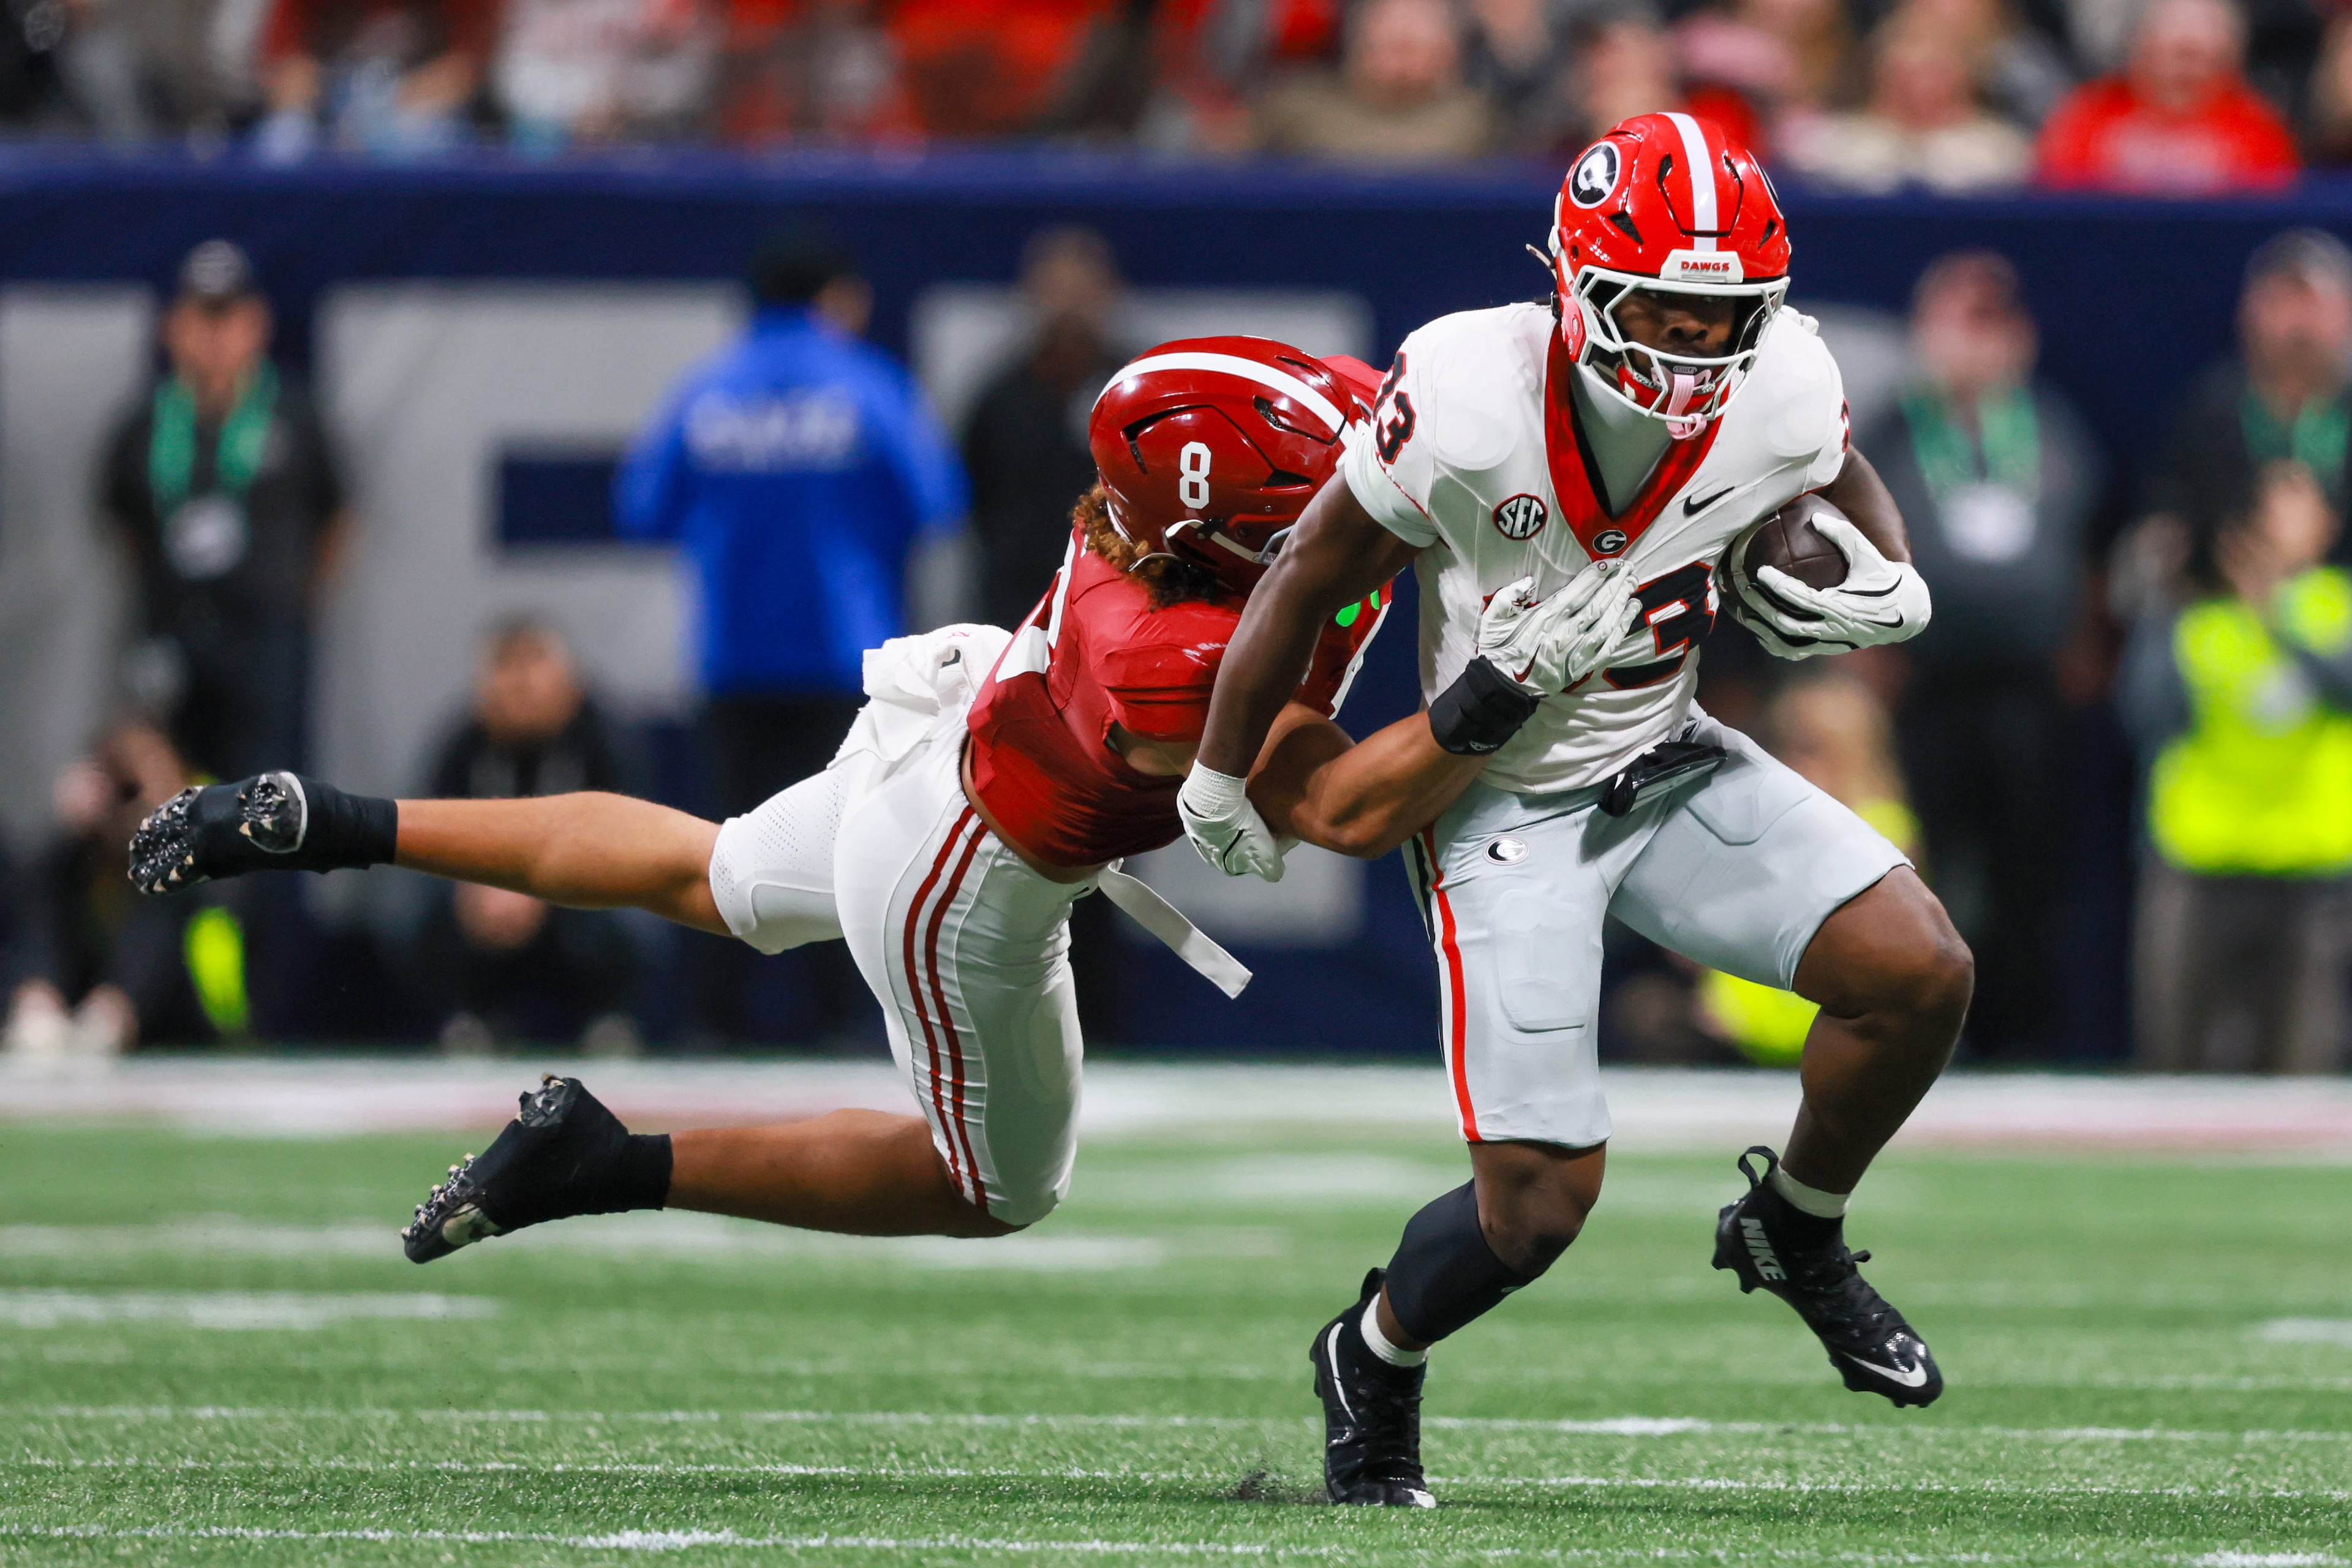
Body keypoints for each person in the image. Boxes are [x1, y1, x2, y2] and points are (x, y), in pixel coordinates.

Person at [129, 336, 1634, 1284]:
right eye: (1306, 507)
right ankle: (612, 1162)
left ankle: (330, 816)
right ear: (1227, 537)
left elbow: (1371, 487)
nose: (1352, 497)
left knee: (709, 871)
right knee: (991, 1190)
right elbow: (1356, 810)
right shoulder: (1177, 658)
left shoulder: (1177, 533)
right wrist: (1495, 694)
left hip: (943, 732)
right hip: (964, 872)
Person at [1183, 113, 1973, 1507]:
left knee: (1915, 971)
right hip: (1503, 795)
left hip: (1667, 752)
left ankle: (1794, 1223)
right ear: (1576, 281)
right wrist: (1216, 765)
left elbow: (1829, 470)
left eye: (1724, 313)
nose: (1691, 341)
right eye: (1664, 303)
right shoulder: (1468, 390)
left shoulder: (1779, 379)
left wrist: (1887, 571)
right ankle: (1371, 1351)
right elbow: (1311, 569)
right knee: (1538, 1206)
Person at [613, 224, 967, 1043]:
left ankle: (713, 1018)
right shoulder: (868, 385)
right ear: (836, 299)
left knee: (725, 838)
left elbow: (642, 510)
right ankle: (844, 1020)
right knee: (858, 843)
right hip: (845, 653)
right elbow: (936, 501)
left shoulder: (706, 391)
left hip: (732, 653)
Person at [1861, 252, 2103, 1060]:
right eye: (1962, 324)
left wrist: (2083, 642)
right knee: (1928, 862)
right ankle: (1934, 1040)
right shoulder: (1892, 429)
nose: (1977, 346)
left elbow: (2094, 542)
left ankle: (2022, 1037)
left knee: (2028, 869)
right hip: (1926, 686)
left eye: (1993, 326)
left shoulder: (2053, 424)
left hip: (2030, 689)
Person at [2119, 461, 2352, 1074]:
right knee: (2179, 1058)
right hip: (2202, 863)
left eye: (2294, 509)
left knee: (2302, 1066)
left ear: (2328, 525)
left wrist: (2278, 616)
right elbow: (2143, 714)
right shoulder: (2197, 619)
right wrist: (2159, 598)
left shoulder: (2338, 607)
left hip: (2311, 868)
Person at [100, 240, 350, 785]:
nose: (214, 336)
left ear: (256, 324)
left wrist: (295, 597)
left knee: (264, 792)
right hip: (172, 632)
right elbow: (120, 523)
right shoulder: (144, 423)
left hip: (262, 634)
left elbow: (336, 515)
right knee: (166, 787)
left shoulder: (295, 416)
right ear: (172, 327)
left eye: (228, 317)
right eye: (201, 318)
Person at [409, 619, 639, 1053]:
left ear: (570, 681)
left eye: (533, 665)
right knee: (416, 901)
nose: (520, 685)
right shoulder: (462, 745)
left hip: (579, 894)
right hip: (484, 903)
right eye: (505, 668)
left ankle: (610, 1018)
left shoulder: (605, 740)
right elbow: (425, 835)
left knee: (636, 911)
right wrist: (476, 886)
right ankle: (467, 1017)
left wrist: (542, 884)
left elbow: (641, 839)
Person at [2, 720, 230, 1060]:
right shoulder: (64, 866)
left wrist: (163, 820)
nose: (127, 806)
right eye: (118, 788)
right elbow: (34, 940)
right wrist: (35, 1003)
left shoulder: (183, 866)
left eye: (133, 790)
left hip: (177, 1045)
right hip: (72, 1033)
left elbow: (156, 950)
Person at [2143, 231, 2352, 575]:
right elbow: (2164, 519)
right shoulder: (2210, 406)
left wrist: (2321, 533)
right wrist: (2233, 544)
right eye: (2282, 302)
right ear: (2249, 313)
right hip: (2226, 599)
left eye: (2314, 302)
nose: (2299, 322)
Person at [2033, 0, 2296, 195]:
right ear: (2138, 48)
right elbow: (2056, 203)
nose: (2184, 69)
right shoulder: (2086, 120)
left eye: (2198, 56)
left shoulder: (2259, 130)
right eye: (2173, 52)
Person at [1777, 12, 2032, 194]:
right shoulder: (1826, 147)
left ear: (1965, 79)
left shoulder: (2003, 152)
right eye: (1906, 73)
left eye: (1935, 71)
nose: (1919, 87)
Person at [1251, 0, 1498, 163]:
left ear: (1449, 51)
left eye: (1413, 42)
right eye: (1387, 29)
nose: (1402, 29)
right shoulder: (1296, 109)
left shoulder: (1479, 121)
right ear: (1356, 41)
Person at [252, 0, 496, 157]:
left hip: (421, 113)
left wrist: (391, 119)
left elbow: (467, 63)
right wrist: (295, 117)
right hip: (331, 107)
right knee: (283, 145)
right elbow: (288, 61)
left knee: (431, 141)